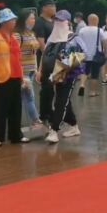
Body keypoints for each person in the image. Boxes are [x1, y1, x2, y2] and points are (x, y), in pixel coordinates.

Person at [37, 10, 86, 144]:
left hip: (67, 75)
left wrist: (63, 68)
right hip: (51, 73)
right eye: (56, 20)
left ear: (68, 22)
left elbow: (81, 55)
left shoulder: (74, 38)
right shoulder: (52, 38)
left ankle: (54, 130)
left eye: (61, 20)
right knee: (64, 102)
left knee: (61, 101)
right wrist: (40, 70)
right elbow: (44, 54)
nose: (58, 23)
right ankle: (74, 126)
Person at [0, 8, 30, 146]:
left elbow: (17, 58)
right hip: (0, 76)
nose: (15, 22)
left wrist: (22, 76)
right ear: (4, 22)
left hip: (15, 76)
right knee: (1, 108)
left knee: (16, 107)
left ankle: (15, 135)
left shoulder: (14, 37)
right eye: (12, 20)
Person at [14, 9, 43, 128]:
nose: (33, 20)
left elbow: (34, 54)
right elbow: (14, 55)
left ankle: (16, 123)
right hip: (22, 72)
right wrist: (20, 74)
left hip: (30, 71)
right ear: (24, 19)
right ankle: (35, 120)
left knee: (25, 97)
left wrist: (36, 69)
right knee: (28, 97)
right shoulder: (17, 35)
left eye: (34, 18)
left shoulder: (31, 34)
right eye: (31, 18)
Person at [34, 0, 56, 125]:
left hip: (54, 58)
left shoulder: (52, 21)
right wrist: (48, 57)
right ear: (44, 8)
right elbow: (41, 43)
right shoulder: (40, 22)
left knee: (51, 87)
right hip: (45, 59)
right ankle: (44, 114)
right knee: (46, 87)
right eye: (51, 6)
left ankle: (49, 110)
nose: (54, 8)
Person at [78, 14, 106, 97]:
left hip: (85, 55)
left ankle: (82, 85)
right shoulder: (99, 30)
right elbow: (104, 42)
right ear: (95, 20)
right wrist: (105, 52)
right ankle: (92, 91)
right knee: (94, 74)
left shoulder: (82, 30)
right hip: (96, 56)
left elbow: (79, 42)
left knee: (85, 71)